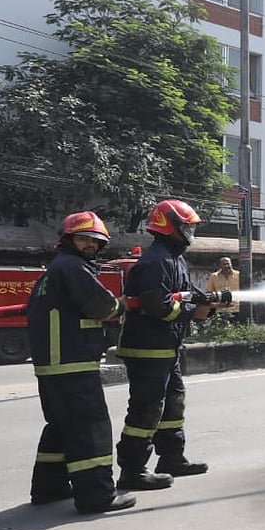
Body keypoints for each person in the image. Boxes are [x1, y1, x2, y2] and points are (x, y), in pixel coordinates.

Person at [27, 212, 136, 514]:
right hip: (72, 362)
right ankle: (97, 496)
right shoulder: (72, 267)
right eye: (83, 238)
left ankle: (49, 488)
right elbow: (101, 305)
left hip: (53, 365)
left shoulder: (55, 269)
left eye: (95, 241)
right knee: (90, 428)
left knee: (61, 426)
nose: (90, 244)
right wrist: (121, 305)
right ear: (68, 240)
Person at [114, 198, 211, 489]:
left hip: (167, 347)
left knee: (173, 404)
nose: (191, 232)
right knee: (147, 407)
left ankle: (171, 458)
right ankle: (133, 470)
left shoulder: (174, 258)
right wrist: (194, 312)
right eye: (187, 227)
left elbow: (184, 294)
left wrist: (205, 303)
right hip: (147, 348)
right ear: (171, 226)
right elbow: (157, 304)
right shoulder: (156, 261)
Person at [204, 257, 240, 321]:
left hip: (237, 310)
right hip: (220, 311)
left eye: (228, 264)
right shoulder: (214, 276)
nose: (226, 266)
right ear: (220, 265)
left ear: (231, 264)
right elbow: (209, 292)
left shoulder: (239, 275)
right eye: (224, 264)